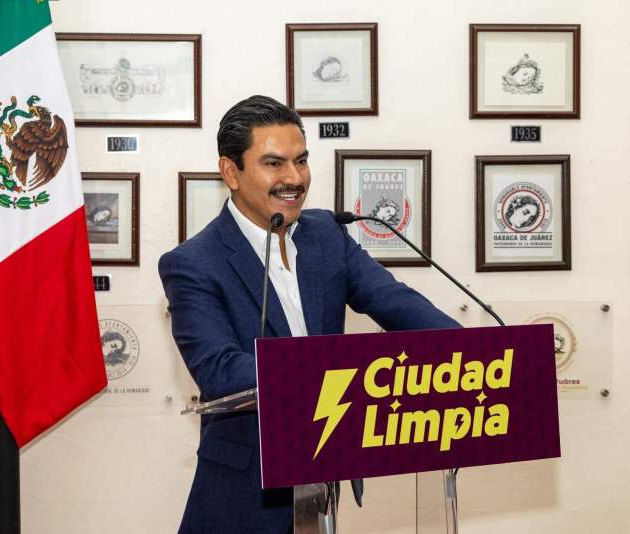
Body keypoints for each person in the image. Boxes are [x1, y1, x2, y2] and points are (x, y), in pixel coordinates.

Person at [159, 95, 460, 533]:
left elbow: (397, 303)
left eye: (301, 161)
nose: (294, 178)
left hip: (322, 481)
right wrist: (344, 374)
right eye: (274, 163)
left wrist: (482, 352)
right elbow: (219, 370)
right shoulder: (193, 262)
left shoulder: (327, 234)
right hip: (244, 497)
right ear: (231, 172)